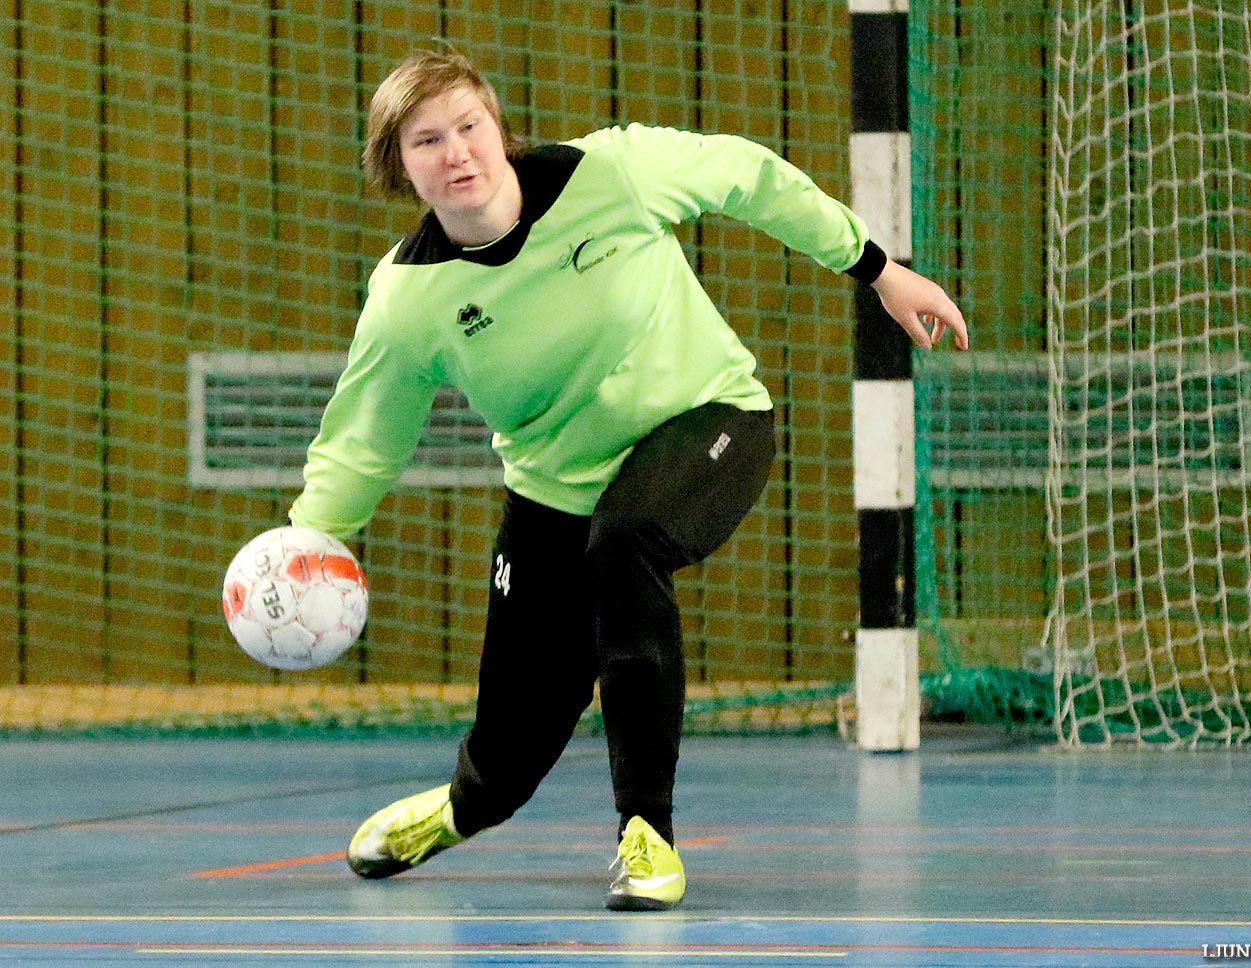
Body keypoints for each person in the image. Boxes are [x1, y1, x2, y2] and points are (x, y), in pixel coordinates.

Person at [287, 45, 968, 912]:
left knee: (626, 541)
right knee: (507, 758)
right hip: (554, 491)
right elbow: (363, 441)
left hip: (709, 418)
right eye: (427, 141)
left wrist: (878, 269)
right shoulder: (407, 298)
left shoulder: (607, 174)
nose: (456, 152)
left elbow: (747, 176)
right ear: (398, 165)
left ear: (499, 130)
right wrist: (307, 545)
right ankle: (460, 806)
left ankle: (645, 834)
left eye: (469, 126)